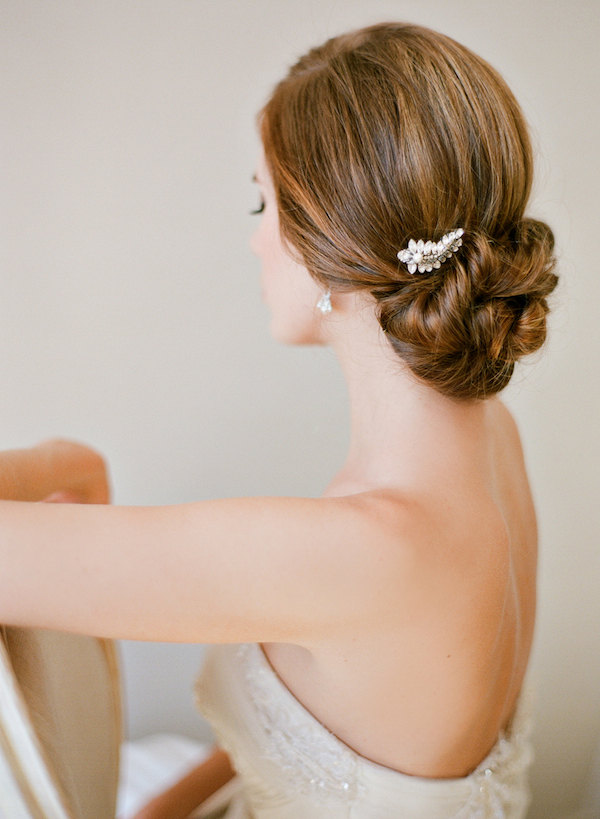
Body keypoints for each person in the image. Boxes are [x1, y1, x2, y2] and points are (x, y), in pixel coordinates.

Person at [0, 21, 557, 819]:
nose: (258, 239)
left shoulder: (358, 551)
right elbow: (331, 732)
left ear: (329, 235)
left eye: (264, 202)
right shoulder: (490, 439)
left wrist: (60, 455)